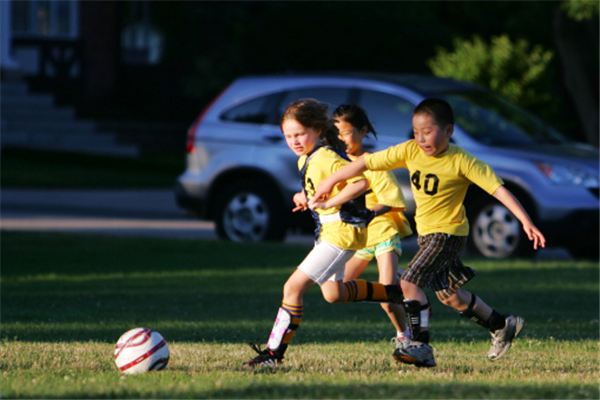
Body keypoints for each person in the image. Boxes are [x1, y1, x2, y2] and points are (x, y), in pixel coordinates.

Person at [309, 98, 546, 368]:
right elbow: (366, 163)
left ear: (449, 131)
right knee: (450, 296)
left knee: (408, 283)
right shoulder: (410, 150)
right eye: (416, 131)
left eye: (428, 131)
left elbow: (498, 189)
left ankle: (420, 345)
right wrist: (330, 180)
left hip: (448, 234)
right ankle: (502, 324)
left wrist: (525, 221)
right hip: (427, 235)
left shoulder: (462, 160)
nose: (421, 138)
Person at [243, 98, 404, 367]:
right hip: (330, 233)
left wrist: (330, 203)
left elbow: (361, 182)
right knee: (334, 294)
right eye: (288, 136)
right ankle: (393, 294)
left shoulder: (325, 157)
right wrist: (304, 197)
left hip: (340, 234)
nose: (294, 141)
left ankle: (272, 355)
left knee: (292, 288)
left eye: (300, 134)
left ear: (317, 130)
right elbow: (317, 187)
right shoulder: (307, 159)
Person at [331, 104, 414, 360]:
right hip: (361, 239)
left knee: (387, 299)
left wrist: (369, 213)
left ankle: (405, 337)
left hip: (384, 234)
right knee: (340, 290)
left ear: (363, 130)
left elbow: (391, 200)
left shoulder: (373, 163)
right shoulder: (335, 164)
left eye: (346, 132)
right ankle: (398, 283)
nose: (341, 139)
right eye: (336, 133)